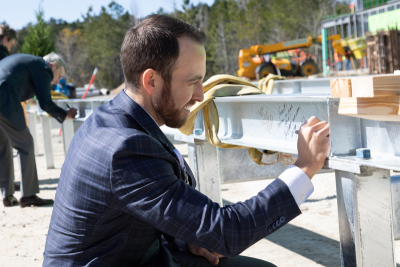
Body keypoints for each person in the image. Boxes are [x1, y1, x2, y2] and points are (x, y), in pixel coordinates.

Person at [43, 15, 330, 266]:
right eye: (192, 82)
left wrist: (184, 238)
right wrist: (305, 167)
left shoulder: (110, 118)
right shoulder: (125, 149)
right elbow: (226, 233)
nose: (201, 96)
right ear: (151, 81)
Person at [0, 52, 77, 207]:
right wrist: (65, 114)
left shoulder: (29, 61)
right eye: (58, 75)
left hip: (3, 94)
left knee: (4, 146)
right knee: (25, 144)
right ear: (53, 65)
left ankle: (7, 196)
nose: (56, 81)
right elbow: (45, 103)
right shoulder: (43, 68)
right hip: (5, 98)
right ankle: (28, 195)